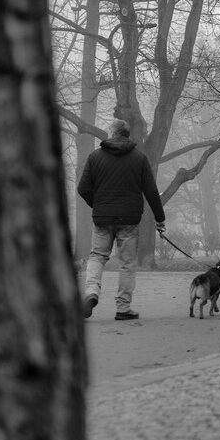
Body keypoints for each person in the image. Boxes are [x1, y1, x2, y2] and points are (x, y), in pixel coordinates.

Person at [77, 119, 166, 320]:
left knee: (97, 256)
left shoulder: (94, 157)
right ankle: (123, 308)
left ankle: (91, 292)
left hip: (102, 218)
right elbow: (151, 192)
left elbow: (83, 188)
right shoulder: (140, 159)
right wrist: (160, 219)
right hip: (129, 219)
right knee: (127, 263)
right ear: (127, 134)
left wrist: (98, 205)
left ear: (112, 133)